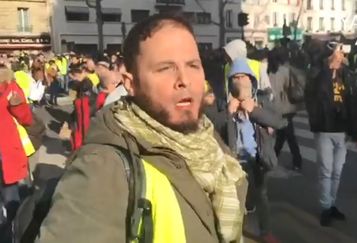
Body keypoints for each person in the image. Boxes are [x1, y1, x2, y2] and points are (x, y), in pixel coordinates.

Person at [37, 14, 248, 243]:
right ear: (130, 83)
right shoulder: (103, 169)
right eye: (165, 68)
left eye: (193, 65)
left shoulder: (207, 138)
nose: (184, 79)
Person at [222, 58, 285, 243]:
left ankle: (265, 233)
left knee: (261, 196)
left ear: (252, 79)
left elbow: (279, 122)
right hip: (235, 160)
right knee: (236, 202)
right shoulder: (224, 104)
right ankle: (236, 236)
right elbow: (216, 128)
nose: (240, 81)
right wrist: (229, 114)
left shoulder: (261, 101)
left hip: (257, 158)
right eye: (236, 77)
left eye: (244, 76)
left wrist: (256, 111)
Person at [305, 42, 357, 227]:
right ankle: (325, 208)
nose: (341, 55)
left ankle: (332, 204)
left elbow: (354, 104)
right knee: (326, 171)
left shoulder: (349, 74)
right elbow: (313, 96)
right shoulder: (317, 73)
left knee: (337, 172)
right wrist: (328, 68)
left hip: (343, 130)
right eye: (338, 52)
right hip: (324, 129)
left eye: (342, 52)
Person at [0, 65, 33, 236]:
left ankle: (14, 233)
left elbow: (27, 118)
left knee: (11, 196)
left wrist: (17, 105)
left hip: (5, 152)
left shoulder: (10, 87)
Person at [268, 48, 304, 171]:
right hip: (287, 108)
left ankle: (273, 157)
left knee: (283, 135)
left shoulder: (267, 71)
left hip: (273, 107)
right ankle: (297, 161)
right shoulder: (285, 71)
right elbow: (291, 87)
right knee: (288, 136)